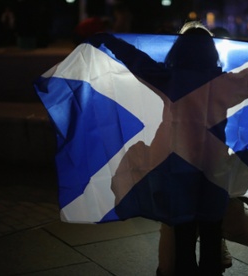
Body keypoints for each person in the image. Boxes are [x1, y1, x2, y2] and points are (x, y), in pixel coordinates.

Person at [90, 22, 228, 275]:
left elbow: (135, 59)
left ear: (180, 51)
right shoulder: (224, 83)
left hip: (179, 165)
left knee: (183, 234)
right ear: (211, 53)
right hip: (215, 167)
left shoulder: (167, 78)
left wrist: (109, 40)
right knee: (212, 231)